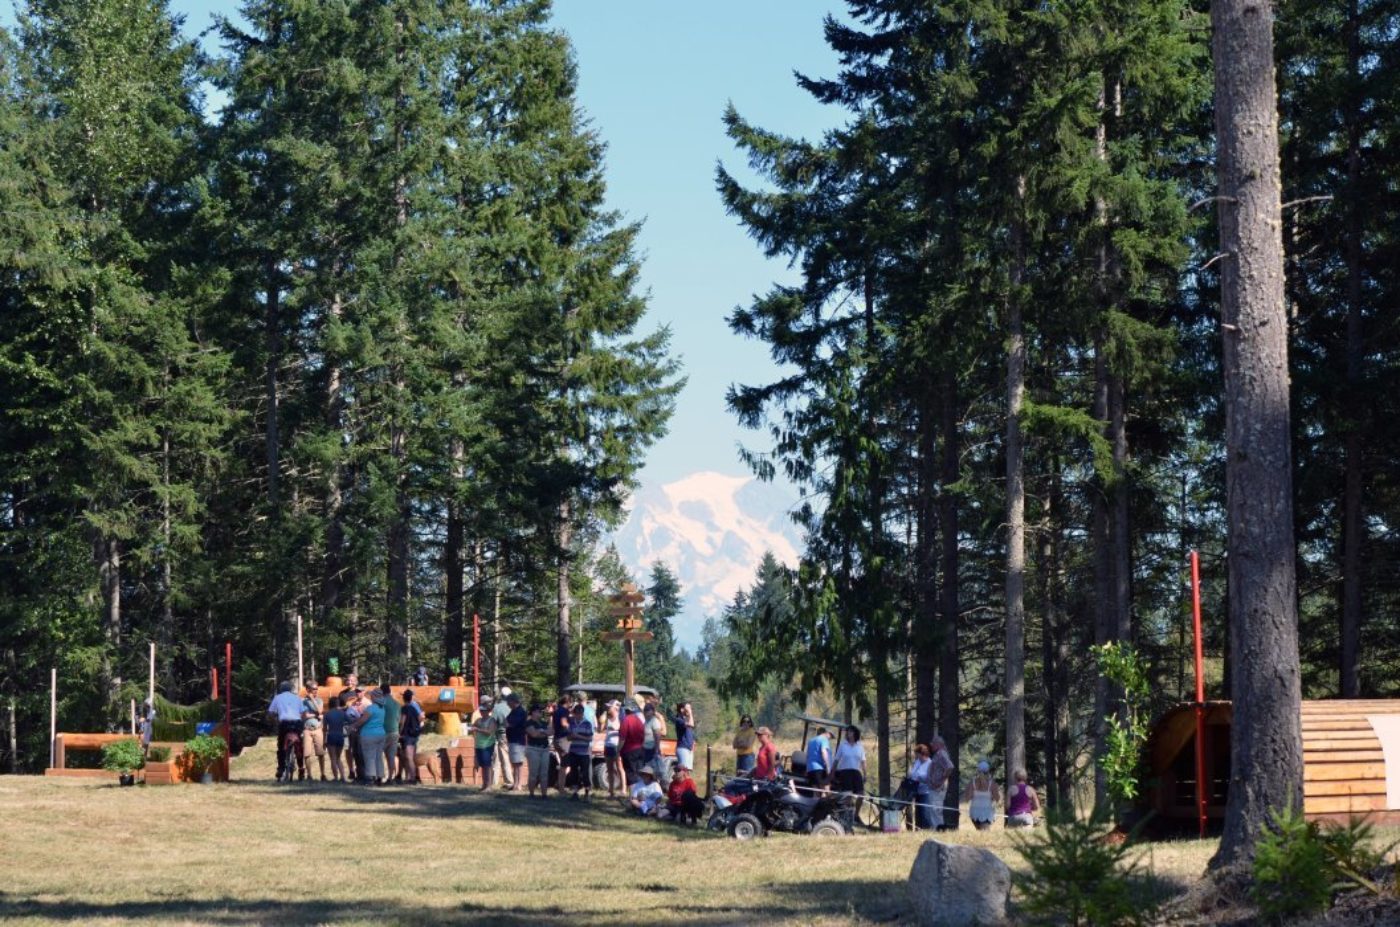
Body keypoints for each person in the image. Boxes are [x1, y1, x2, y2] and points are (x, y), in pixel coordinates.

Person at [267, 681, 304, 781]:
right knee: (299, 745)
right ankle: (301, 768)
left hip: (284, 724)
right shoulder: (297, 698)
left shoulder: (277, 697)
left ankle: (281, 768)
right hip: (297, 723)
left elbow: (271, 712)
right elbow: (303, 712)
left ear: (281, 689)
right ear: (291, 689)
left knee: (281, 746)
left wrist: (273, 720)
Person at [352, 689, 387, 785]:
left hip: (369, 735)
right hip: (381, 734)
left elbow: (362, 720)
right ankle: (379, 778)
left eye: (372, 695)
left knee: (369, 757)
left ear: (374, 697)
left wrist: (353, 726)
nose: (370, 697)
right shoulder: (382, 708)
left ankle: (370, 779)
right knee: (378, 757)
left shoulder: (371, 708)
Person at [566, 702, 594, 799]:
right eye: (576, 713)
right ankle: (575, 793)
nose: (578, 715)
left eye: (579, 713)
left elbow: (590, 738)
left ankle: (587, 792)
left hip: (584, 752)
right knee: (574, 773)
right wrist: (571, 737)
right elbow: (568, 738)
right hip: (573, 751)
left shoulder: (587, 724)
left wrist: (578, 736)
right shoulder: (572, 723)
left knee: (585, 773)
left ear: (582, 713)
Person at [524, 704, 553, 797]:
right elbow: (533, 734)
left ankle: (544, 794)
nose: (540, 713)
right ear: (533, 712)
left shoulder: (543, 722)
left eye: (541, 711)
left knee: (544, 773)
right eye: (538, 711)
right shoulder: (529, 723)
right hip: (533, 749)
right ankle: (531, 793)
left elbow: (551, 732)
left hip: (545, 749)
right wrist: (544, 732)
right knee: (534, 773)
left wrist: (541, 731)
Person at [301, 681, 327, 782]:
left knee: (321, 753)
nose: (315, 691)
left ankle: (323, 774)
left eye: (316, 689)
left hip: (317, 729)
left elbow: (320, 711)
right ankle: (309, 775)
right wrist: (315, 715)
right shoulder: (302, 701)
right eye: (313, 689)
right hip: (307, 729)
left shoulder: (319, 700)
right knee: (307, 753)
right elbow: (304, 715)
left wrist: (312, 699)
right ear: (308, 690)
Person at [964, 760, 1001, 830]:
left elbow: (967, 799)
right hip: (987, 813)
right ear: (988, 771)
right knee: (985, 834)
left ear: (978, 771)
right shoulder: (992, 784)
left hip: (974, 813)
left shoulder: (972, 783)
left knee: (980, 833)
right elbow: (997, 798)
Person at [832, 726, 867, 799]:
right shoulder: (842, 745)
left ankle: (857, 811)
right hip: (845, 771)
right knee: (848, 794)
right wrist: (832, 773)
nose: (848, 733)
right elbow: (836, 760)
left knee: (861, 795)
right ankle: (846, 808)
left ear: (855, 733)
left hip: (856, 771)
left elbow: (863, 761)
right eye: (847, 731)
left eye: (850, 731)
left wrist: (865, 774)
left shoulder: (860, 746)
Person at [472, 697, 499, 791]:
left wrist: (478, 729)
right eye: (480, 710)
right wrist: (474, 727)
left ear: (488, 711)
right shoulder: (479, 720)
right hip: (479, 745)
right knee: (483, 766)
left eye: (483, 711)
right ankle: (484, 784)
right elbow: (473, 726)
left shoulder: (492, 720)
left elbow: (489, 732)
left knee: (487, 765)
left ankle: (489, 785)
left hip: (487, 745)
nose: (481, 712)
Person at [928, 736, 954, 830]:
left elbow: (949, 767)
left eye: (933, 744)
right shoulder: (938, 754)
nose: (931, 745)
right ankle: (936, 827)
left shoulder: (941, 754)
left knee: (936, 809)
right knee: (934, 808)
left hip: (938, 787)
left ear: (938, 744)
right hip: (934, 787)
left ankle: (938, 828)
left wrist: (941, 780)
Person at [618, 701, 646, 787]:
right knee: (640, 773)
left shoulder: (625, 720)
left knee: (631, 775)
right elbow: (644, 735)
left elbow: (622, 739)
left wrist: (618, 750)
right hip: (640, 750)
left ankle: (633, 796)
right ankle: (641, 795)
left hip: (629, 751)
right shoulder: (639, 720)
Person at [503, 692, 527, 792]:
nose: (507, 704)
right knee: (514, 762)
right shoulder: (513, 711)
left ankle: (519, 784)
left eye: (508, 702)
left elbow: (509, 723)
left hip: (518, 740)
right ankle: (515, 783)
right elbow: (506, 722)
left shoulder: (520, 711)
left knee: (518, 763)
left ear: (513, 701)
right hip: (513, 739)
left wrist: (507, 723)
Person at [400, 689, 425, 784]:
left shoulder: (405, 708)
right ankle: (410, 777)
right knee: (412, 757)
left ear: (404, 698)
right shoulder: (415, 707)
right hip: (415, 735)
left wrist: (399, 732)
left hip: (407, 735)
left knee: (409, 757)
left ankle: (412, 778)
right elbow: (421, 718)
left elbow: (402, 721)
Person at [378, 682, 401, 783]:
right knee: (391, 756)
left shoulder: (381, 702)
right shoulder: (397, 704)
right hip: (394, 731)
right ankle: (391, 778)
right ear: (390, 691)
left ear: (381, 691)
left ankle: (379, 776)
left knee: (378, 755)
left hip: (382, 732)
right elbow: (399, 719)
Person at [908, 744, 935, 830]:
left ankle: (928, 830)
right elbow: (913, 773)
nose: (916, 756)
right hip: (916, 791)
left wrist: (919, 778)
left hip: (926, 792)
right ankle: (919, 829)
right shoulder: (917, 762)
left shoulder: (930, 764)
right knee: (918, 812)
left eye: (917, 754)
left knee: (925, 812)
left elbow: (929, 778)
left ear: (922, 754)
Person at [492, 688, 515, 789]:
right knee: (514, 758)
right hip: (515, 735)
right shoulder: (515, 706)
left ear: (501, 695)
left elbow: (493, 722)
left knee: (503, 758)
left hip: (502, 735)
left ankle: (509, 781)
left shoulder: (497, 708)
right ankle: (516, 780)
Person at [602, 700, 624, 798]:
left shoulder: (620, 717)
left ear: (615, 708)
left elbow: (623, 731)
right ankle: (611, 790)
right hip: (608, 745)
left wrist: (616, 730)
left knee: (619, 768)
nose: (607, 708)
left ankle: (623, 789)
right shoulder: (607, 718)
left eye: (609, 707)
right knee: (609, 769)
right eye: (607, 707)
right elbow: (600, 728)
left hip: (616, 746)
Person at [324, 694, 348, 782]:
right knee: (338, 758)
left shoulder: (327, 714)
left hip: (331, 736)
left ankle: (336, 777)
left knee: (333, 758)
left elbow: (324, 729)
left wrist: (324, 741)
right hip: (340, 736)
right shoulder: (343, 713)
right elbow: (349, 722)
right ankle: (343, 777)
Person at [551, 694, 572, 790]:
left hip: (556, 738)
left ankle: (559, 783)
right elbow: (564, 723)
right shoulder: (564, 711)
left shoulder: (556, 711)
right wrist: (572, 728)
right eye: (570, 703)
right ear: (567, 702)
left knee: (563, 764)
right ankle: (561, 786)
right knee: (565, 764)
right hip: (564, 739)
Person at [804, 727, 832, 791]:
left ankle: (815, 800)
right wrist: (827, 766)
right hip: (819, 768)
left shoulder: (811, 741)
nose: (830, 738)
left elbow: (808, 755)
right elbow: (823, 752)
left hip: (810, 769)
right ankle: (826, 801)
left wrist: (806, 769)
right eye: (830, 736)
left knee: (815, 790)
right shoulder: (824, 739)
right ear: (826, 733)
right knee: (825, 789)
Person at [344, 690, 363, 782]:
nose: (357, 703)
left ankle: (359, 774)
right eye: (355, 701)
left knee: (357, 754)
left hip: (356, 734)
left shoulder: (352, 710)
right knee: (357, 754)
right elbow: (358, 720)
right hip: (355, 734)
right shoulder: (350, 710)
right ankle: (359, 774)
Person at [673, 702, 696, 772]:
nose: (690, 710)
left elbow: (689, 733)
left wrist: (693, 744)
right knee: (683, 771)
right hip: (683, 748)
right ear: (682, 709)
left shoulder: (685, 720)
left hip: (688, 749)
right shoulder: (679, 720)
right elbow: (691, 724)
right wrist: (690, 713)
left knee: (687, 772)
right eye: (688, 708)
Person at [642, 703, 663, 773]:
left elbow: (657, 736)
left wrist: (656, 751)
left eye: (648, 710)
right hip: (645, 750)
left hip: (652, 750)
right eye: (645, 710)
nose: (646, 711)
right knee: (646, 771)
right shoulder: (646, 722)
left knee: (653, 771)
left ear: (653, 711)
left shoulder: (655, 721)